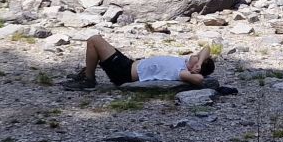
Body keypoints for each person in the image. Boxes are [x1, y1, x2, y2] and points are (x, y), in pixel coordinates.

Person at [60, 34, 214, 90]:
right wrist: (200, 61)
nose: (195, 55)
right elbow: (206, 48)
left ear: (195, 67)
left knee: (94, 40)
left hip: (125, 72)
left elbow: (199, 80)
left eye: (197, 57)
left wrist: (195, 71)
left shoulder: (181, 72)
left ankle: (89, 79)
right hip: (128, 64)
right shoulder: (184, 62)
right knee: (96, 44)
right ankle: (88, 74)